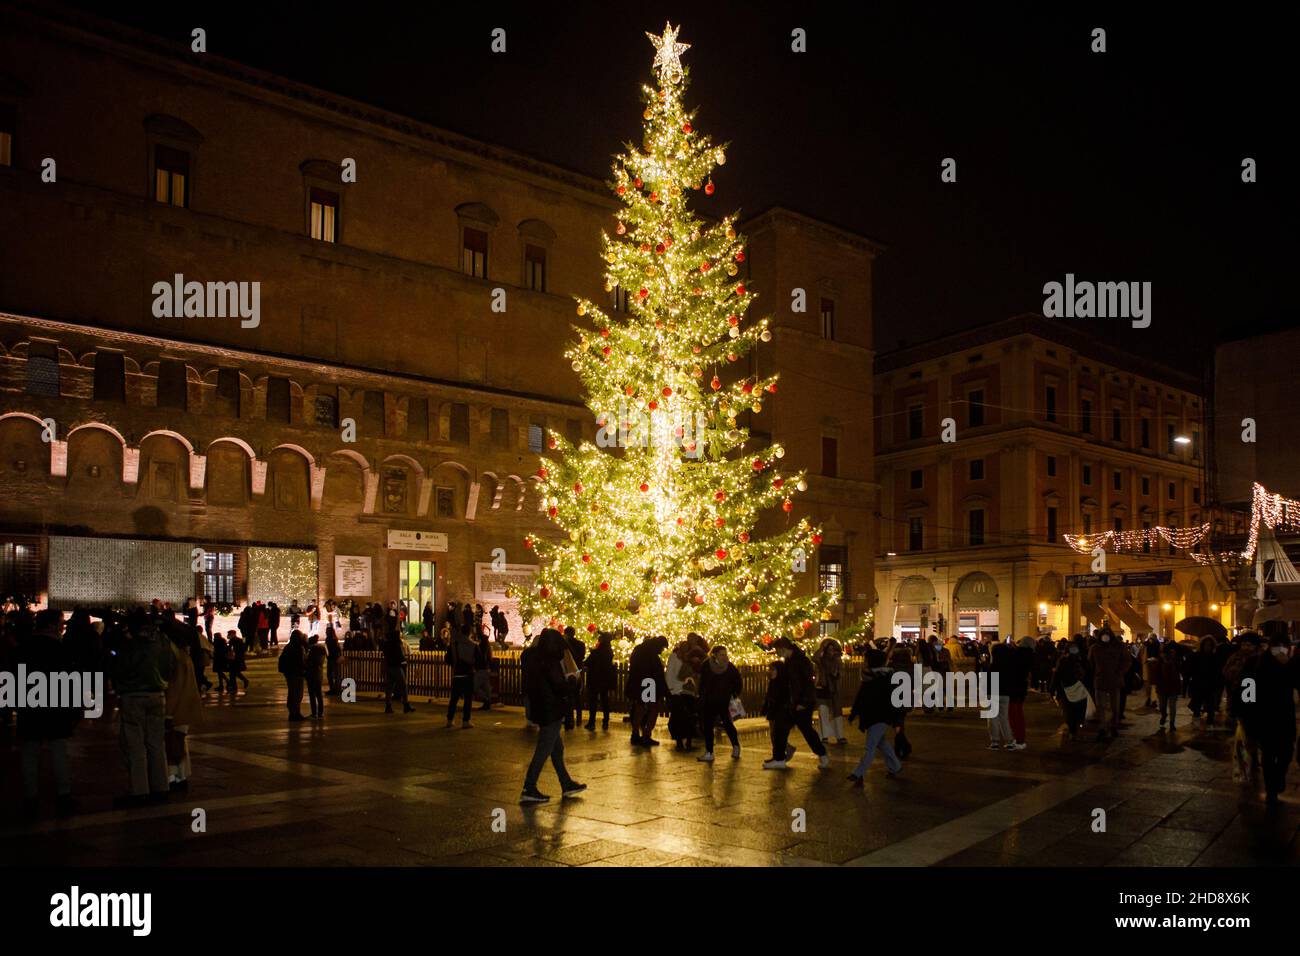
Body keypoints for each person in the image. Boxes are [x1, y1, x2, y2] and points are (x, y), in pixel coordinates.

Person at [17, 609, 81, 818]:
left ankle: (30, 796)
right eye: (61, 622)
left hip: (30, 705)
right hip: (56, 705)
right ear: (52, 625)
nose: (63, 626)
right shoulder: (59, 648)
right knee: (58, 750)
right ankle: (63, 794)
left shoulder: (24, 647)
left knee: (29, 751)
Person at [112, 611, 177, 808]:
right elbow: (171, 665)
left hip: (133, 695)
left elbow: (119, 667)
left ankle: (139, 790)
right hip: (157, 695)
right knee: (156, 743)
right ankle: (161, 786)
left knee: (135, 745)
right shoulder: (162, 640)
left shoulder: (129, 644)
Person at [519, 628, 586, 804]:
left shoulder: (533, 658)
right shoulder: (550, 661)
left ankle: (566, 783)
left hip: (541, 707)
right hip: (552, 709)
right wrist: (571, 682)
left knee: (557, 749)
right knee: (543, 750)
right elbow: (558, 686)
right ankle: (529, 787)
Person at [1240, 633, 1300, 805]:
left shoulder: (1290, 664)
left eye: (1284, 645)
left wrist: (1289, 665)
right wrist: (1246, 714)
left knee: (1286, 752)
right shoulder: (1255, 663)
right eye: (1278, 645)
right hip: (1264, 715)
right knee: (1268, 752)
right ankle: (1271, 787)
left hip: (1285, 716)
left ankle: (1278, 777)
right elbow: (1247, 691)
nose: (1281, 649)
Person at [763, 638, 830, 770]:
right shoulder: (790, 661)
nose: (777, 654)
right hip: (791, 703)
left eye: (777, 651)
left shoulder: (800, 661)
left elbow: (807, 683)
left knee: (806, 730)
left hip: (801, 704)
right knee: (780, 729)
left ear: (783, 649)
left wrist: (804, 702)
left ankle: (822, 754)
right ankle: (779, 758)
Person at [846, 661, 903, 784]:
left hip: (879, 718)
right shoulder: (876, 680)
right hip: (877, 718)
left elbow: (894, 702)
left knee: (870, 746)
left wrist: (853, 714)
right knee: (881, 743)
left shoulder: (878, 682)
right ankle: (896, 766)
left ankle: (858, 773)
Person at [163, 622, 202, 790]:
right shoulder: (185, 656)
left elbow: (174, 687)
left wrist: (168, 713)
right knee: (179, 743)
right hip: (186, 705)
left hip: (176, 708)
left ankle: (173, 778)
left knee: (171, 744)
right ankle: (182, 776)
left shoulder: (176, 659)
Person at [697, 644, 742, 761]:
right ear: (714, 655)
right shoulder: (706, 666)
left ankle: (736, 746)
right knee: (707, 726)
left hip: (724, 701)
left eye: (725, 654)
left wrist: (734, 693)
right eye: (721, 654)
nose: (724, 657)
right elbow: (702, 682)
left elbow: (738, 681)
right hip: (709, 701)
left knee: (727, 724)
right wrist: (702, 695)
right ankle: (709, 751)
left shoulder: (730, 667)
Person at [1088, 626, 1129, 740]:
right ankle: (1102, 727)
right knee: (1101, 706)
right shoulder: (1095, 648)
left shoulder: (1119, 647)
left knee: (1115, 707)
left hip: (1114, 680)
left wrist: (1119, 672)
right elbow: (1090, 663)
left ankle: (1113, 726)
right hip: (1100, 680)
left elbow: (1126, 661)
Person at [627, 636, 669, 746]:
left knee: (640, 708)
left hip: (640, 683)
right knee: (653, 708)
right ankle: (646, 734)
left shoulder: (640, 650)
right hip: (649, 684)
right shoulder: (651, 655)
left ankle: (635, 733)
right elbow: (655, 672)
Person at [666, 635, 706, 750]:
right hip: (678, 690)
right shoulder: (676, 657)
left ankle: (688, 738)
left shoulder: (691, 658)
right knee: (679, 715)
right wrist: (671, 688)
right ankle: (680, 738)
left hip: (689, 690)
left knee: (689, 715)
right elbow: (671, 673)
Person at [1049, 642, 1089, 739]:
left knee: (1069, 710)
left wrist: (1052, 689)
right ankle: (1076, 728)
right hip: (1080, 689)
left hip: (1066, 688)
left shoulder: (1063, 660)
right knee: (1078, 709)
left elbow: (1057, 675)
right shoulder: (1082, 659)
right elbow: (1088, 673)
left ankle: (1072, 730)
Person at [813, 637, 847, 744]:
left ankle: (839, 735)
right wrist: (822, 647)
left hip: (834, 688)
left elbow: (841, 672)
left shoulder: (837, 660)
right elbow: (814, 657)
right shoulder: (821, 660)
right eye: (829, 649)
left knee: (837, 713)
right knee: (823, 711)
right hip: (822, 687)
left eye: (833, 649)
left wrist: (836, 674)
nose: (830, 652)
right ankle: (824, 736)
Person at [583, 632, 617, 730]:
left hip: (594, 679)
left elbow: (587, 663)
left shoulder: (596, 652)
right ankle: (605, 721)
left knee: (593, 701)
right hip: (605, 679)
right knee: (604, 700)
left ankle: (592, 722)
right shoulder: (609, 651)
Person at [446, 623, 477, 727]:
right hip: (468, 674)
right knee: (468, 699)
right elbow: (479, 660)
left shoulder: (454, 644)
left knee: (454, 699)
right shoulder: (473, 645)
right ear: (469, 633)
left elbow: (447, 659)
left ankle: (450, 720)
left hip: (457, 674)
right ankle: (465, 721)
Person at [986, 639, 1014, 749]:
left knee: (992, 718)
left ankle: (995, 741)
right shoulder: (1009, 666)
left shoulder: (993, 666)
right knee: (1004, 718)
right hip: (1005, 694)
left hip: (993, 693)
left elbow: (988, 681)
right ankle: (1009, 741)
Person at [382, 628, 414, 714]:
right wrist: (404, 660)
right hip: (396, 667)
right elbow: (400, 656)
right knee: (403, 685)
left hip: (389, 667)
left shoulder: (386, 644)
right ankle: (406, 704)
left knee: (389, 687)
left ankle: (388, 706)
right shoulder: (396, 644)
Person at [278, 630, 307, 721]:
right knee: (297, 694)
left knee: (292, 693)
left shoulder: (288, 647)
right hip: (296, 673)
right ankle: (295, 713)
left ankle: (293, 713)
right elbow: (301, 661)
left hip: (289, 673)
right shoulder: (298, 648)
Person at [1154, 641, 1183, 732]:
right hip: (1162, 686)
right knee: (1162, 705)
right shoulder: (1161, 659)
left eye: (1174, 650)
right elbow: (1157, 672)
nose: (1172, 652)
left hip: (1173, 685)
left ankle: (1172, 723)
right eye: (1171, 650)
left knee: (1172, 706)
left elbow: (1180, 670)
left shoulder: (1178, 660)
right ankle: (1164, 714)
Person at [563, 626, 587, 730]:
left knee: (569, 695)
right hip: (578, 670)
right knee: (577, 694)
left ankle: (570, 719)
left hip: (569, 671)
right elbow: (582, 657)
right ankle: (579, 717)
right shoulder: (581, 644)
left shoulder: (564, 645)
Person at [306, 632, 327, 719]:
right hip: (319, 673)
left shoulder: (312, 650)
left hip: (311, 674)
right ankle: (321, 713)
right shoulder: (322, 648)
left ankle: (314, 713)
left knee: (312, 694)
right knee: (319, 694)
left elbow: (308, 662)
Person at [473, 627, 494, 710]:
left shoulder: (482, 647)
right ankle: (487, 702)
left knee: (474, 687)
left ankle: (486, 700)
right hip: (486, 669)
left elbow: (481, 658)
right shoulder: (488, 648)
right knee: (486, 687)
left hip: (481, 669)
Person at [325, 625, 342, 695]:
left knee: (332, 675)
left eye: (327, 631)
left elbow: (335, 649)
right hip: (333, 658)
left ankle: (334, 689)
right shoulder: (333, 639)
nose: (325, 632)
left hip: (333, 658)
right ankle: (335, 689)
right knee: (334, 674)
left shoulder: (331, 639)